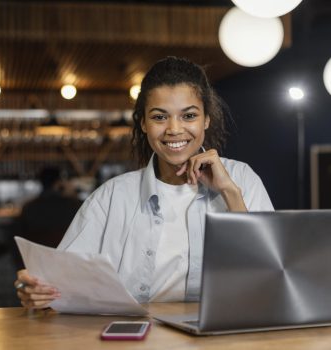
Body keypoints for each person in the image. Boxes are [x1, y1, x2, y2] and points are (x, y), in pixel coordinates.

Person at [15, 56, 274, 309]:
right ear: (143, 123)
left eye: (189, 116)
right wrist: (37, 290)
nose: (174, 129)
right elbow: (61, 280)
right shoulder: (112, 196)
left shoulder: (241, 180)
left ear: (206, 119)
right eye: (160, 117)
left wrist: (229, 193)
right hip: (136, 337)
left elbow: (270, 274)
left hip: (222, 336)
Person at [14, 166, 82, 264]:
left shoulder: (28, 208)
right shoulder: (74, 206)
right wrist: (72, 194)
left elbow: (19, 239)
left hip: (36, 263)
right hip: (67, 263)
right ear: (59, 183)